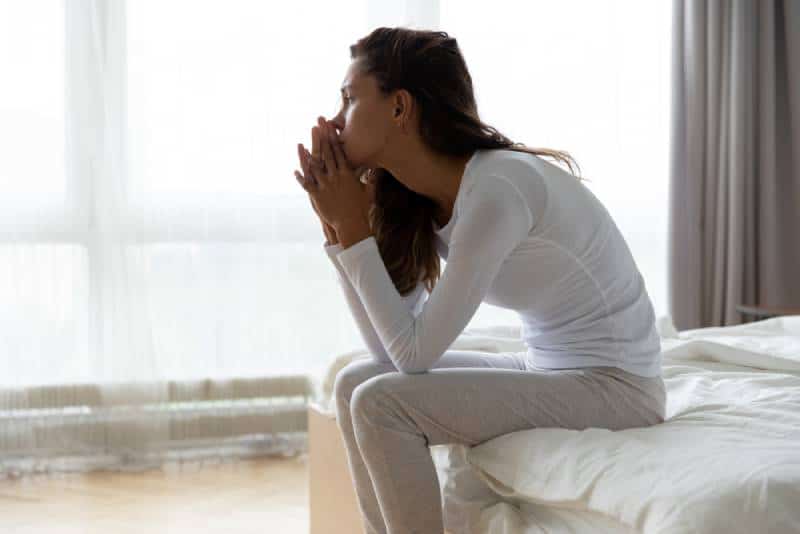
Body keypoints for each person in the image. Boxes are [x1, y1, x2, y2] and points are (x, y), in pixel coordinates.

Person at [293, 26, 666, 534]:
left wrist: (353, 230)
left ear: (400, 109)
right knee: (354, 381)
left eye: (348, 99)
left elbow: (414, 356)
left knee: (381, 403)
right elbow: (387, 350)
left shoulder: (496, 190)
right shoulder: (418, 193)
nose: (333, 122)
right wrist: (338, 230)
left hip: (618, 387)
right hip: (549, 367)